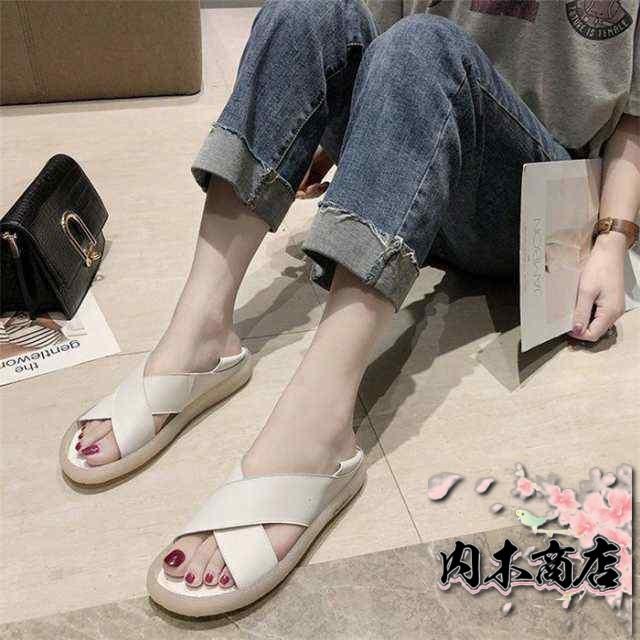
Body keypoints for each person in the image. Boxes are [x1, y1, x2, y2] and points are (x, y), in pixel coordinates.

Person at [61, 0, 639, 616]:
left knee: (427, 46)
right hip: (421, 145)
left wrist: (612, 238)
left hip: (531, 200)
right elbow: (381, 41)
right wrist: (333, 135)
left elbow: (634, 121)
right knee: (307, 14)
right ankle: (200, 334)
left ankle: (319, 430)